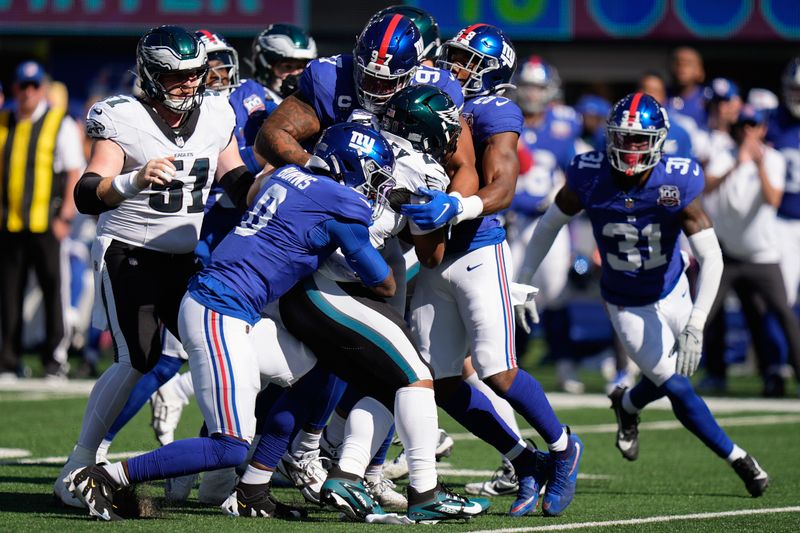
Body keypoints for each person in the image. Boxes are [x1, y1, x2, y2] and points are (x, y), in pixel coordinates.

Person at [517, 92, 770, 498]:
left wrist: (696, 322)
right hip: (626, 302)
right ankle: (739, 459)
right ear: (609, 137)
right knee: (677, 385)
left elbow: (711, 256)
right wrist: (525, 276)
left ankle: (628, 404)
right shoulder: (589, 173)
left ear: (658, 140)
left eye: (640, 140)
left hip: (673, 287)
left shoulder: (676, 178)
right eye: (623, 138)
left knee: (682, 367)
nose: (630, 149)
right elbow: (549, 224)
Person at [53, 25, 258, 508]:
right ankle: (81, 462)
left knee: (222, 352)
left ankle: (218, 472)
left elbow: (236, 178)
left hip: (184, 256)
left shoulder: (215, 112)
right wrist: (131, 180)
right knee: (138, 358)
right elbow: (87, 192)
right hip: (129, 251)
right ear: (150, 74)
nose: (190, 84)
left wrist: (282, 187)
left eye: (194, 73)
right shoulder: (122, 117)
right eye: (177, 75)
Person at [402, 24, 583, 518]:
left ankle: (563, 445)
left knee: (498, 371)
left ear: (492, 71)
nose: (454, 67)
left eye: (467, 60)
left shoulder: (494, 110)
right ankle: (525, 460)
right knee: (438, 379)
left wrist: (457, 208)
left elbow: (502, 185)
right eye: (453, 56)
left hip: (477, 249)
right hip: (429, 252)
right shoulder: (421, 90)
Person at [703, 104, 800, 393]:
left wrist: (756, 165)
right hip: (728, 254)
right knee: (704, 313)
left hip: (762, 255)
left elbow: (772, 200)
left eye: (754, 125)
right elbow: (707, 186)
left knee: (781, 312)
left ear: (763, 128)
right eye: (743, 124)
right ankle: (698, 374)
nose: (748, 130)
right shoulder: (725, 156)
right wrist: (739, 163)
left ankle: (788, 373)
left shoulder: (774, 159)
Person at [0, 60, 84, 380]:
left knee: (53, 289)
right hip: (9, 223)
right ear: (15, 88)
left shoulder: (58, 122)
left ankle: (54, 359)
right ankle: (8, 359)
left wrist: (65, 216)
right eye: (23, 86)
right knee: (9, 293)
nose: (28, 93)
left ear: (42, 90)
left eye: (35, 86)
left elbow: (73, 171)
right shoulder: (5, 121)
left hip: (46, 223)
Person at [667, 46, 709, 129]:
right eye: (677, 63)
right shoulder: (662, 95)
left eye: (687, 63)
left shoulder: (708, 99)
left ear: (700, 70)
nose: (682, 67)